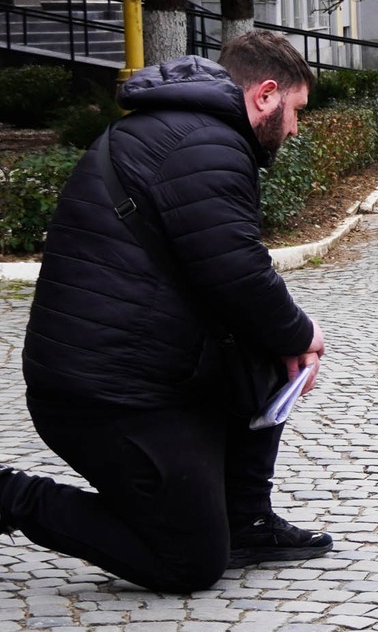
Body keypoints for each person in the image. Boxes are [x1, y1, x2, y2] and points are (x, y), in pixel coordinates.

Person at [0, 35, 331, 592]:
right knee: (188, 562)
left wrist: (284, 338)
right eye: (296, 111)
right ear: (267, 95)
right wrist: (304, 333)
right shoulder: (208, 145)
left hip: (145, 373)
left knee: (268, 352)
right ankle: (11, 496)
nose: (295, 129)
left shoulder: (185, 131)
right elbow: (236, 272)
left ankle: (244, 521)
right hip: (104, 396)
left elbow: (220, 275)